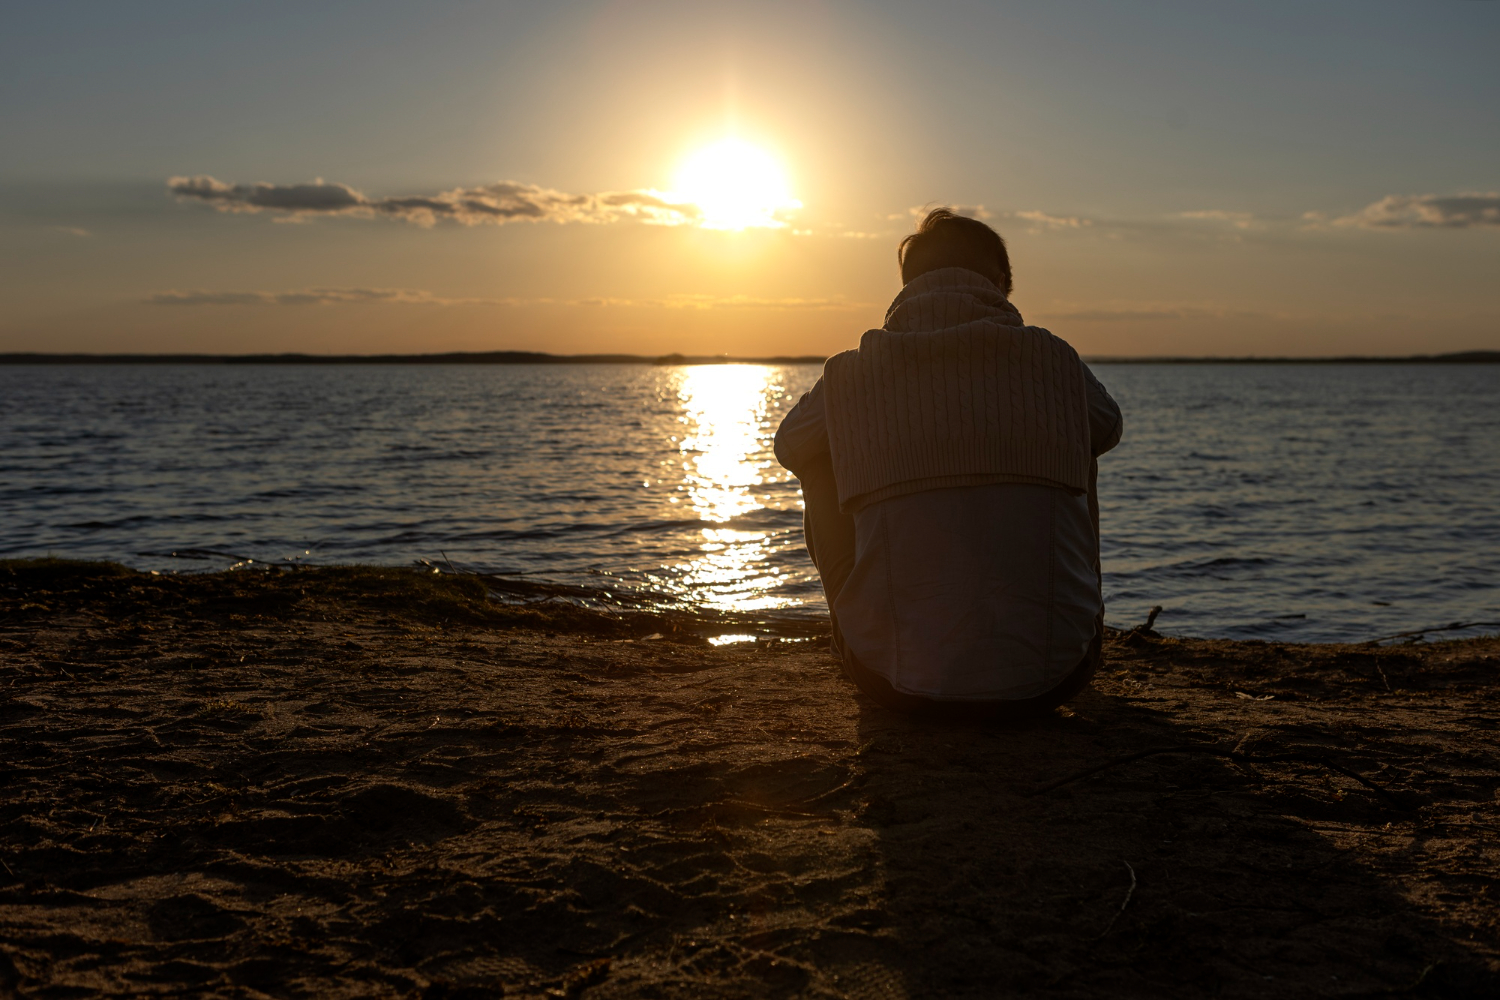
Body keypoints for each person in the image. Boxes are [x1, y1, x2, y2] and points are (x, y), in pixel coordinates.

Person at [774, 208, 1123, 720]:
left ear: (907, 285)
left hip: (892, 681)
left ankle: (861, 627)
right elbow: (1108, 429)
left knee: (816, 456)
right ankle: (1058, 621)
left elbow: (789, 445)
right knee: (1079, 437)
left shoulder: (851, 373)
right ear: (1002, 283)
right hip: (1057, 677)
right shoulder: (1055, 359)